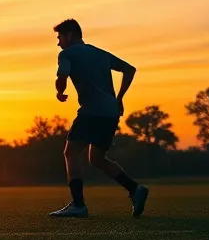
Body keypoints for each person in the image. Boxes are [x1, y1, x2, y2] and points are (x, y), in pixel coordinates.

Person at [50, 19, 149, 218]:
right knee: (96, 158)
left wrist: (60, 92)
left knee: (70, 152)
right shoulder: (99, 53)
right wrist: (119, 98)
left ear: (69, 35)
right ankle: (134, 189)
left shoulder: (66, 54)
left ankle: (78, 205)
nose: (58, 43)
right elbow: (130, 69)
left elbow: (62, 77)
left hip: (91, 111)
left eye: (59, 37)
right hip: (110, 112)